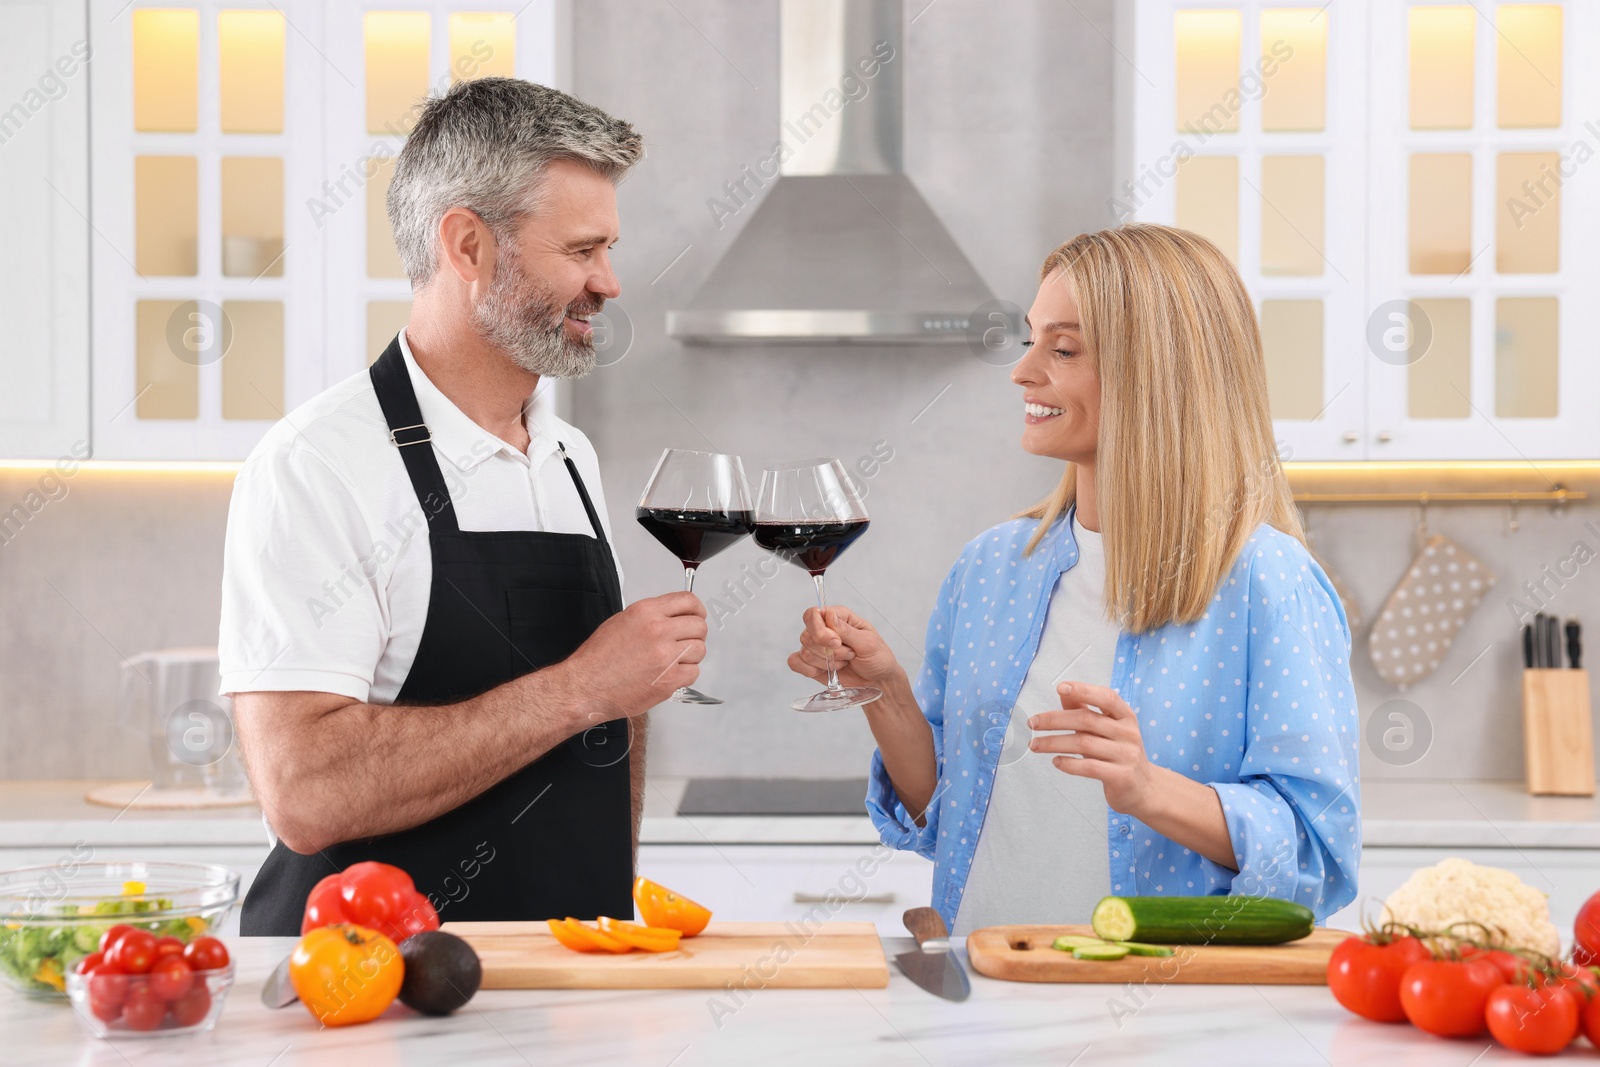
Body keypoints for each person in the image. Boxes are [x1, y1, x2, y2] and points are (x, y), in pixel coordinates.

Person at [221, 79, 709, 934]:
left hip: (556, 980)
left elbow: (610, 722)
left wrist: (614, 907)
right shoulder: (319, 465)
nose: (611, 282)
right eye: (583, 250)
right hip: (373, 995)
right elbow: (305, 792)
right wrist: (584, 687)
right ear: (468, 245)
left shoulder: (567, 455)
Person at [788, 224, 1360, 935]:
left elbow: (1318, 857)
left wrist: (1149, 789)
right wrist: (887, 692)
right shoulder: (991, 569)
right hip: (985, 999)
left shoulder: (1267, 581)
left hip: (1154, 1021)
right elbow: (949, 812)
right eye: (1032, 339)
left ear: (1158, 372)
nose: (1023, 371)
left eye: (1062, 349)